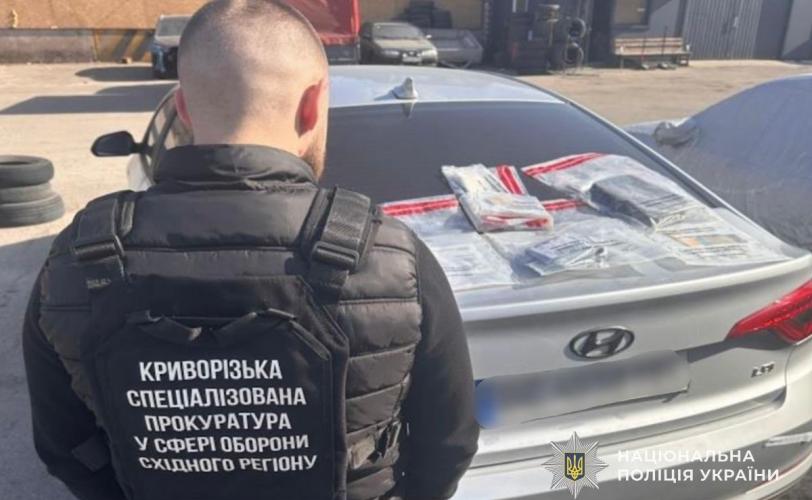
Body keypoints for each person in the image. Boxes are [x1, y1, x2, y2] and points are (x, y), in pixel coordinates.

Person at [21, 1, 479, 499]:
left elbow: (64, 447)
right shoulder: (390, 255)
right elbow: (449, 442)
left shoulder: (77, 259)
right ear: (312, 104)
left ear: (184, 108)